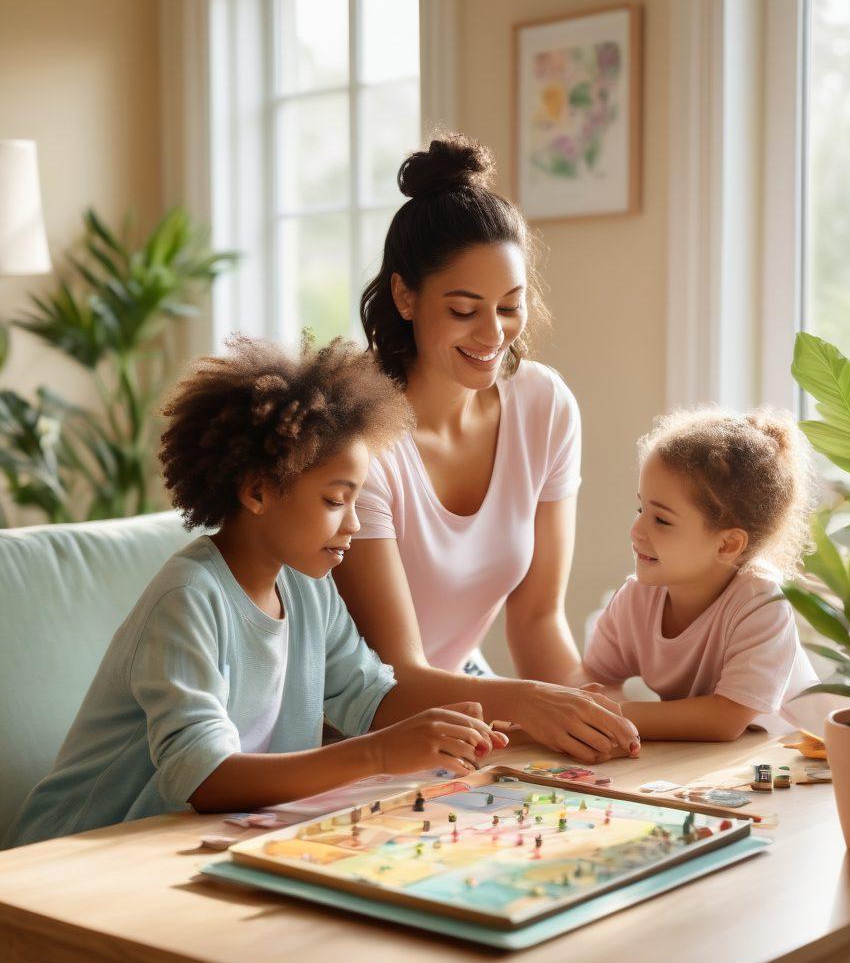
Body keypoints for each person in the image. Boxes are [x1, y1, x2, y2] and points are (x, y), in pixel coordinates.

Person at [3, 336, 509, 851]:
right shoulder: (188, 597)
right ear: (258, 491)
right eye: (336, 499)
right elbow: (201, 778)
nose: (354, 523)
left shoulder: (308, 586)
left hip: (185, 845)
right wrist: (379, 754)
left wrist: (453, 720)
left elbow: (369, 695)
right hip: (75, 855)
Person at [333, 133, 640, 765]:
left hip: (460, 724)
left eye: (509, 307)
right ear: (404, 296)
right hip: (344, 740)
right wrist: (529, 703)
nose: (491, 334)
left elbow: (536, 626)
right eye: (465, 309)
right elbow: (390, 678)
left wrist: (599, 714)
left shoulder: (544, 408)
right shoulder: (361, 441)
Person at [564, 407, 819, 740]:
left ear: (728, 544)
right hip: (709, 767)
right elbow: (593, 676)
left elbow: (725, 719)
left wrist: (611, 715)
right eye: (641, 509)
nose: (635, 530)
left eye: (662, 520)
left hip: (797, 764)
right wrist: (570, 708)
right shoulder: (636, 599)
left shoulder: (761, 604)